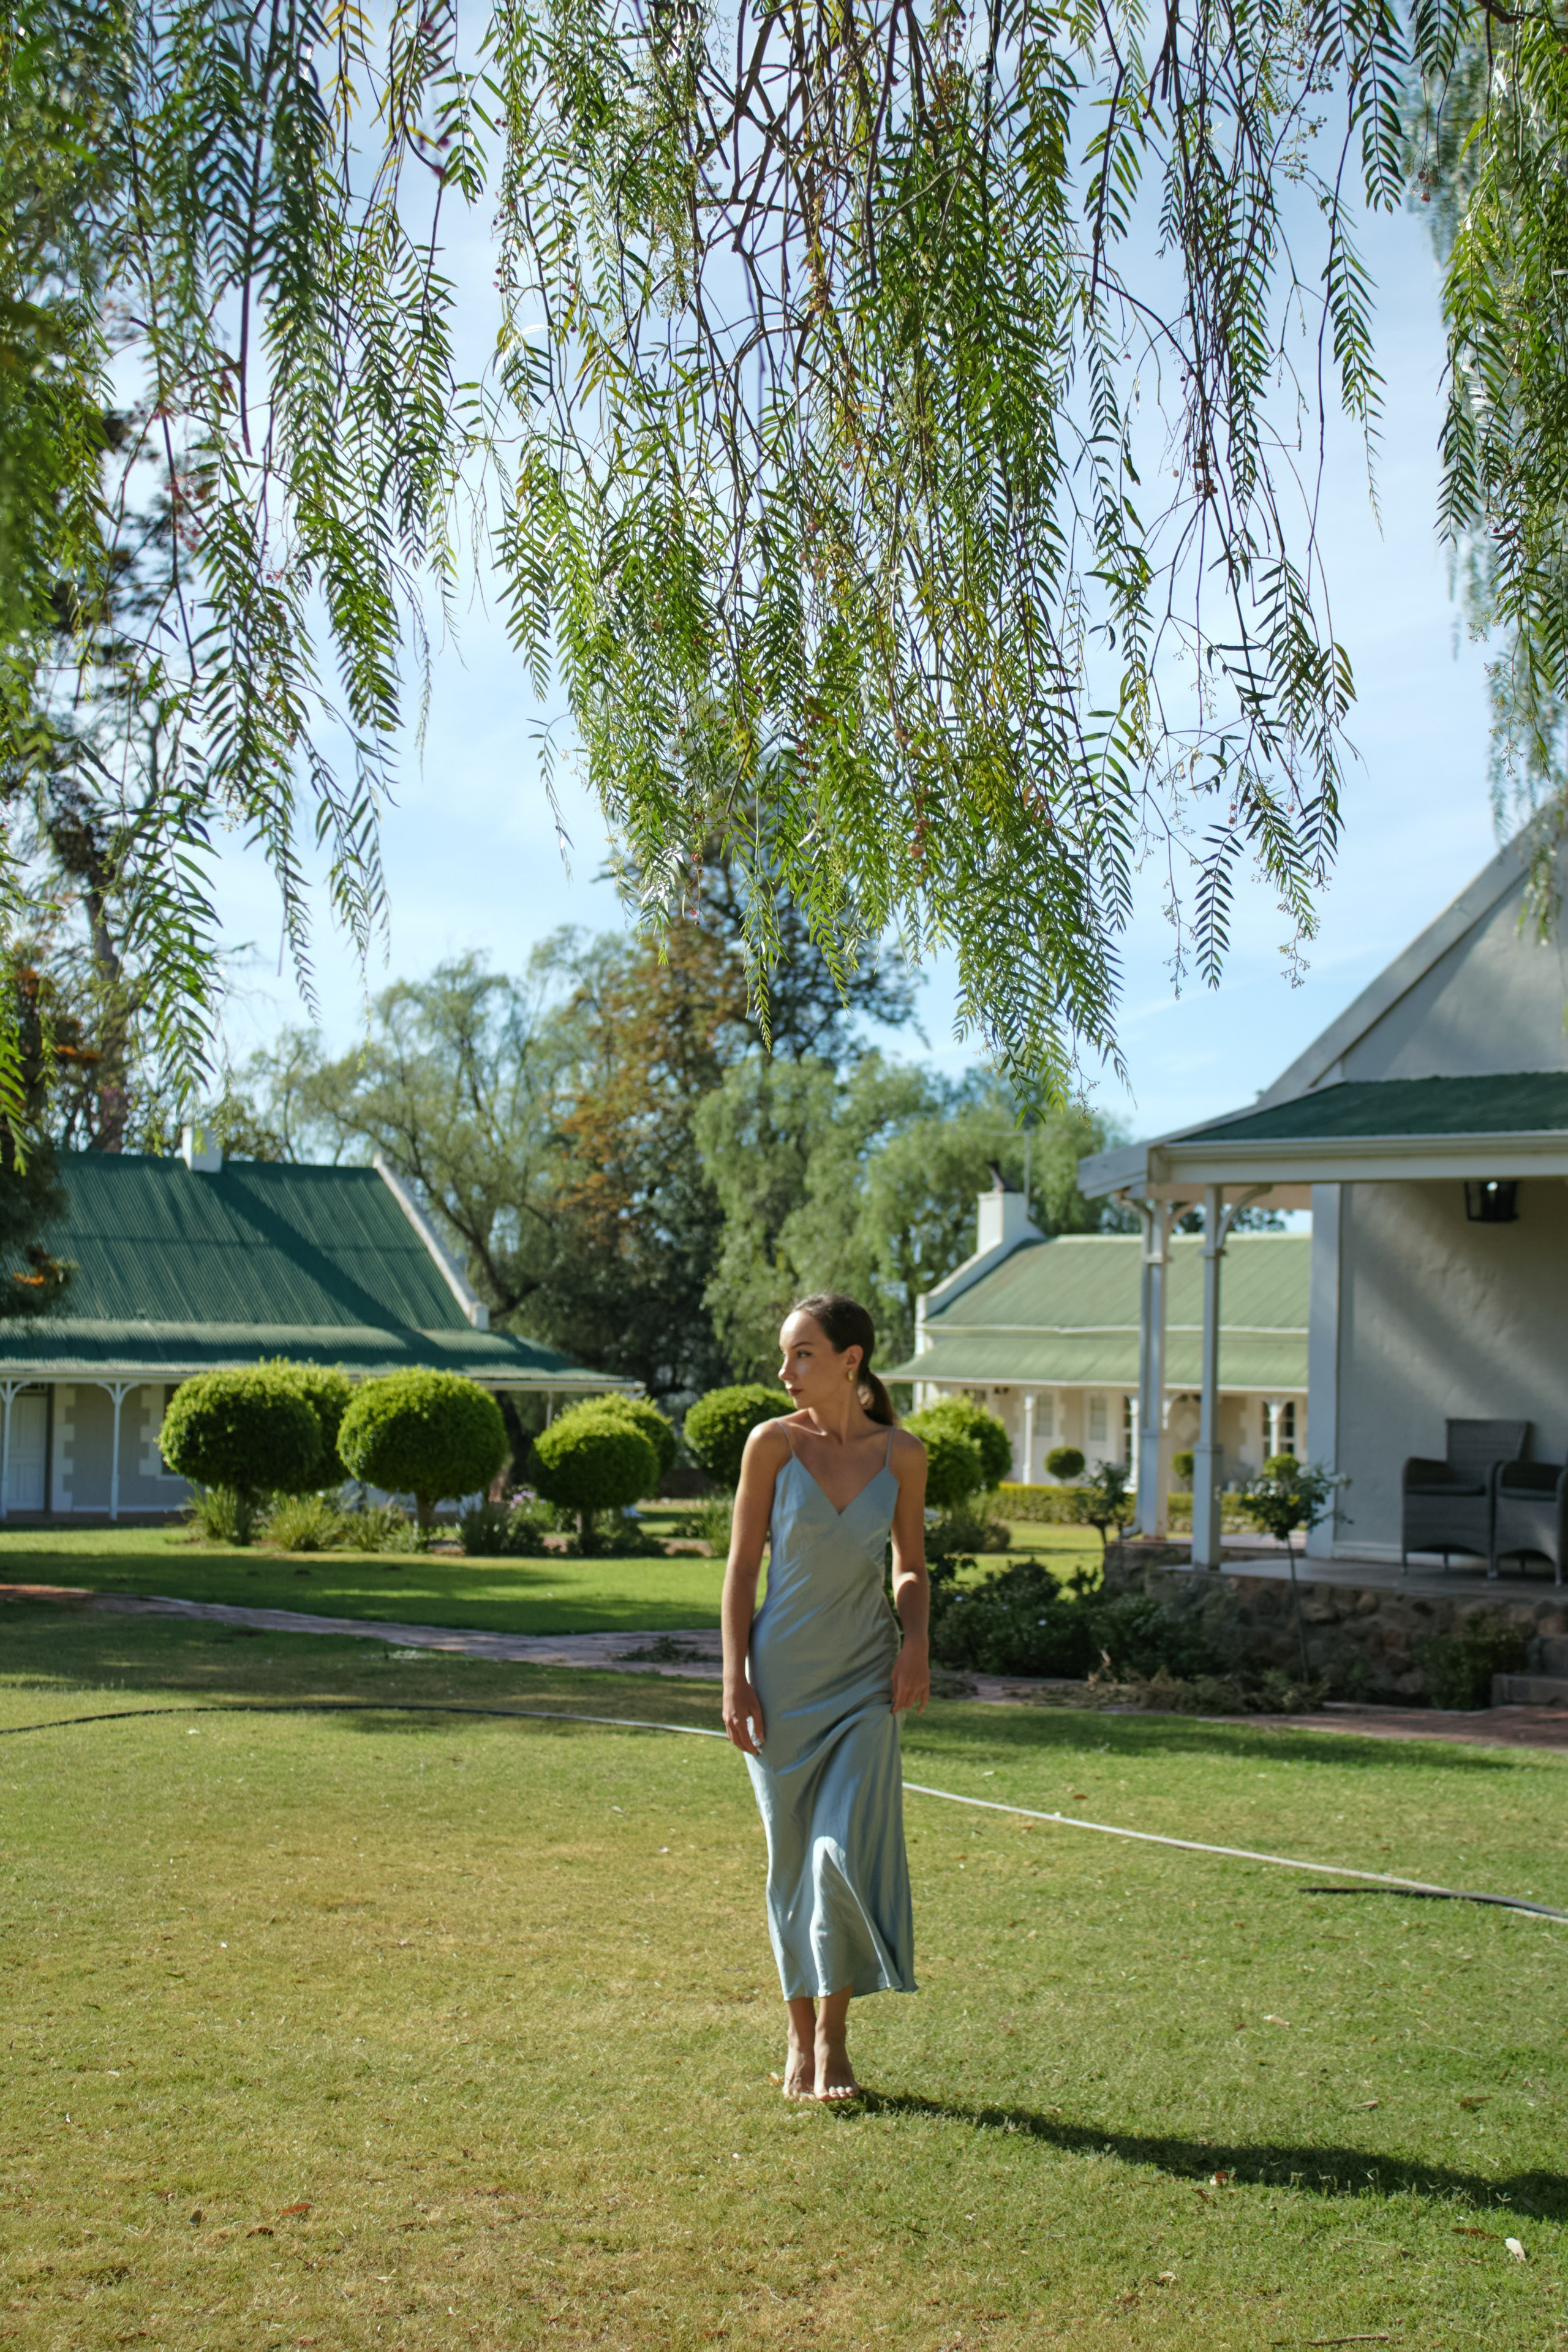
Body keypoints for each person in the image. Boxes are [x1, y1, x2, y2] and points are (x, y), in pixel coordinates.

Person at [720, 1292, 930, 2103]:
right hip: (782, 1681)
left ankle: (836, 2041)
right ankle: (798, 2035)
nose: (785, 1372)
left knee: (842, 1853)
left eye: (803, 1354)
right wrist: (733, 1674)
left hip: (866, 1680)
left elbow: (910, 1567)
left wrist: (916, 1640)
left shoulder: (903, 1455)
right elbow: (741, 1571)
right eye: (785, 1355)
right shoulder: (770, 1446)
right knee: (793, 1862)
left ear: (851, 1359)